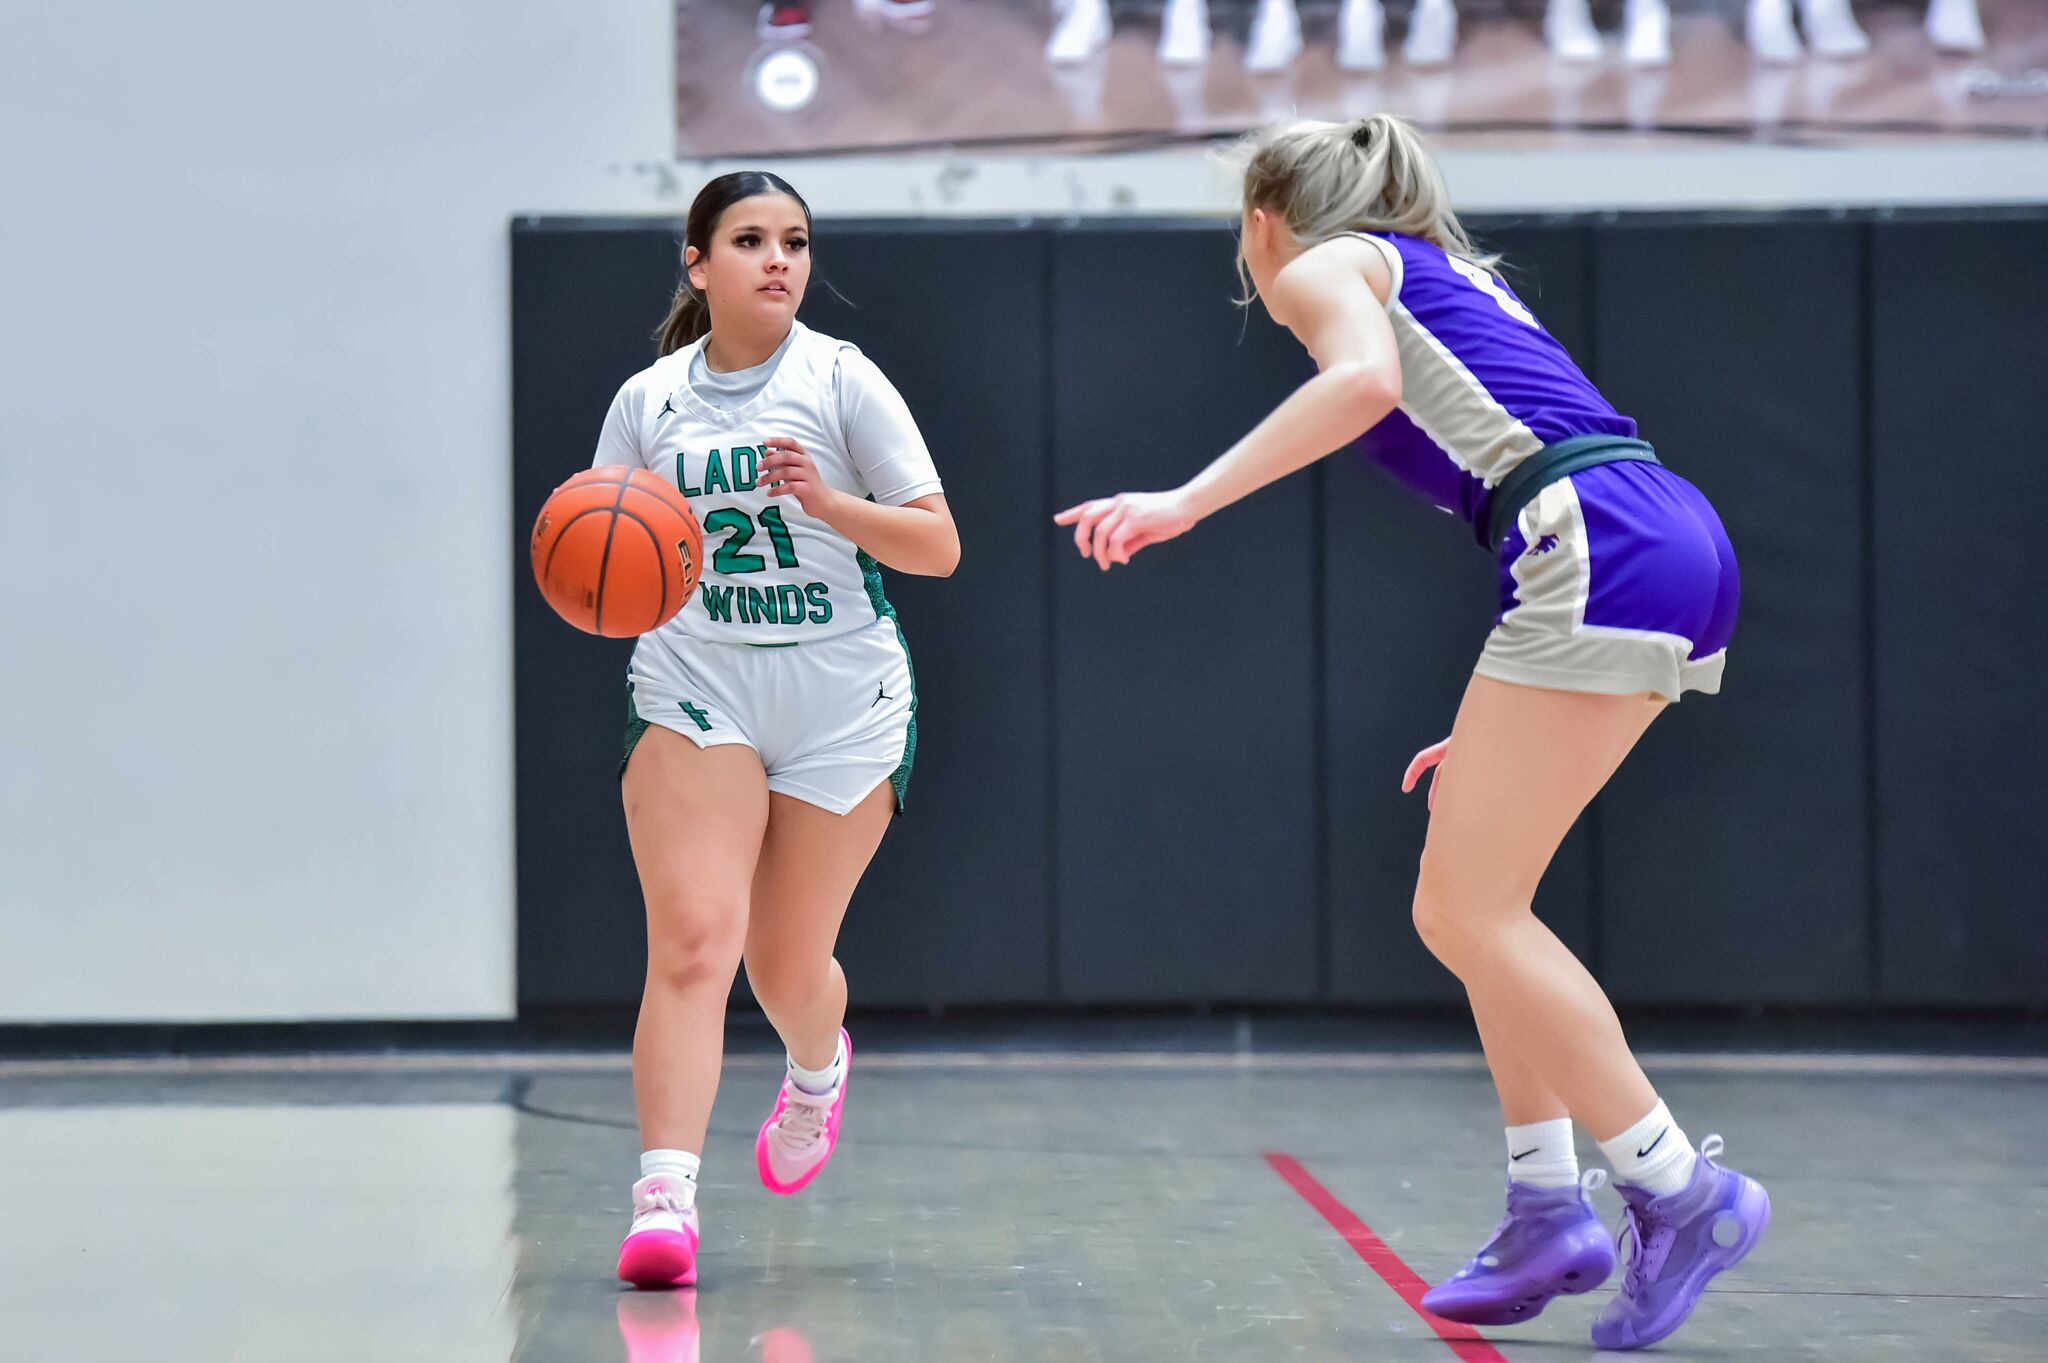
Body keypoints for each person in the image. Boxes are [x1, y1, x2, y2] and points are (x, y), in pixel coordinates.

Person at [1054, 115, 1766, 1351]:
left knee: (1462, 912)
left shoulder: (1339, 262)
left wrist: (1182, 501)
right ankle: (1545, 1202)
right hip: (1647, 530)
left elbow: (1363, 386)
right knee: (1482, 895)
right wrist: (1483, 736)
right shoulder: (1445, 273)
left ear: (1264, 222)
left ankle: (1674, 1188)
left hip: (1594, 538)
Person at [593, 170, 960, 1289]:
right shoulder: (648, 402)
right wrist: (602, 568)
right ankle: (664, 1198)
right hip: (698, 680)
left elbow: (937, 548)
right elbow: (597, 554)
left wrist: (832, 507)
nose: (779, 260)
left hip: (841, 698)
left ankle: (814, 1066)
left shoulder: (842, 381)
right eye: (749, 240)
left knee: (785, 965)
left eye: (794, 241)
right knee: (696, 938)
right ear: (698, 266)